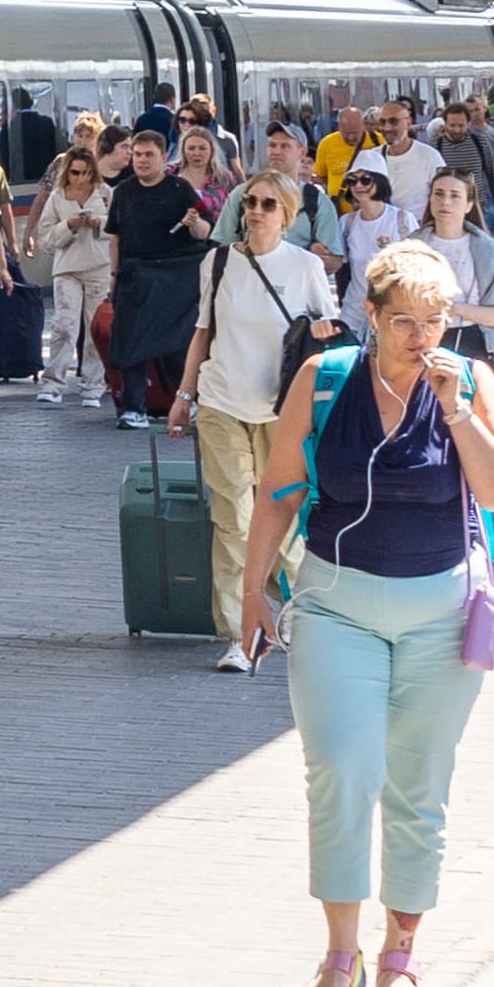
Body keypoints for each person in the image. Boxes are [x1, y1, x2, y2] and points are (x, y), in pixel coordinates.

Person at [237, 244, 494, 987]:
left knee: (417, 784)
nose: (420, 336)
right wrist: (253, 588)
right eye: (404, 321)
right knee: (340, 768)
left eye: (435, 321)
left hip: (442, 610)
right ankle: (340, 959)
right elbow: (277, 492)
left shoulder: (469, 381)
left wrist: (458, 410)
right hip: (337, 603)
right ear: (370, 317)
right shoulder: (326, 378)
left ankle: (402, 954)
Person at [172, 171, 338, 678]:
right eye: (251, 203)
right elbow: (204, 332)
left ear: (287, 216)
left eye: (269, 205)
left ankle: (306, 612)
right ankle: (239, 635)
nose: (257, 212)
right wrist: (184, 395)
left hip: (282, 411)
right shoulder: (219, 261)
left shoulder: (305, 266)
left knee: (281, 520)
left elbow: (328, 338)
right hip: (222, 400)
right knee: (234, 517)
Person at [104, 124, 214, 429]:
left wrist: (193, 223)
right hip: (136, 274)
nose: (141, 160)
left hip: (176, 277)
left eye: (149, 155)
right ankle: (133, 409)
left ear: (163, 157)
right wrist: (114, 274)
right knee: (131, 344)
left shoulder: (180, 190)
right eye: (137, 154)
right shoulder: (123, 192)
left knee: (177, 346)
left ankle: (187, 404)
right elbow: (115, 237)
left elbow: (206, 231)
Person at [24, 136, 112, 407]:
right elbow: (47, 237)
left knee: (94, 327)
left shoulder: (105, 193)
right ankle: (54, 382)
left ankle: (93, 384)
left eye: (86, 173)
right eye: (74, 173)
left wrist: (98, 222)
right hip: (67, 268)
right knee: (65, 324)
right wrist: (69, 225)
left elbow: (118, 228)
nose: (80, 179)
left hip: (99, 265)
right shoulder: (56, 197)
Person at [413, 171, 494, 362]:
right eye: (439, 194)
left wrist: (456, 309)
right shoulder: (412, 246)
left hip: (471, 344)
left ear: (469, 205)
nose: (445, 202)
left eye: (455, 196)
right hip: (417, 342)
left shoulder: (487, 250)